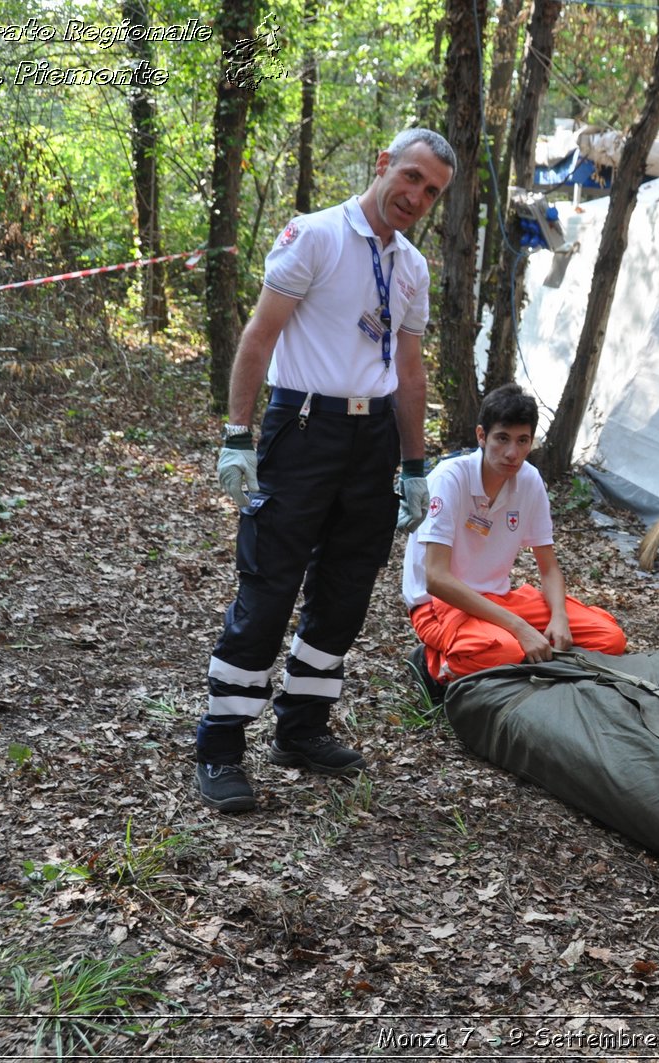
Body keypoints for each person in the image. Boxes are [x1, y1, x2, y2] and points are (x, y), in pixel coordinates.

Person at [194, 128, 456, 813]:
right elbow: (260, 335)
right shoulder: (314, 235)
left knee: (344, 592)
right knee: (270, 586)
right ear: (382, 165)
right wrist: (238, 435)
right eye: (411, 177)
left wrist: (415, 462)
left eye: (431, 191)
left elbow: (409, 369)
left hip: (371, 442)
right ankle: (221, 745)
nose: (416, 197)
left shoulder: (412, 267)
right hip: (303, 424)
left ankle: (301, 729)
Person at [402, 383, 627, 687]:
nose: (512, 453)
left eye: (523, 441)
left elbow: (548, 567)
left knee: (609, 638)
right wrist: (520, 628)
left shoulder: (529, 479)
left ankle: (503, 653)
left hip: (499, 600)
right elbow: (436, 579)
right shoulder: (449, 478)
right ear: (481, 436)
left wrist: (559, 616)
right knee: (504, 650)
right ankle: (430, 663)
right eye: (502, 439)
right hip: (439, 605)